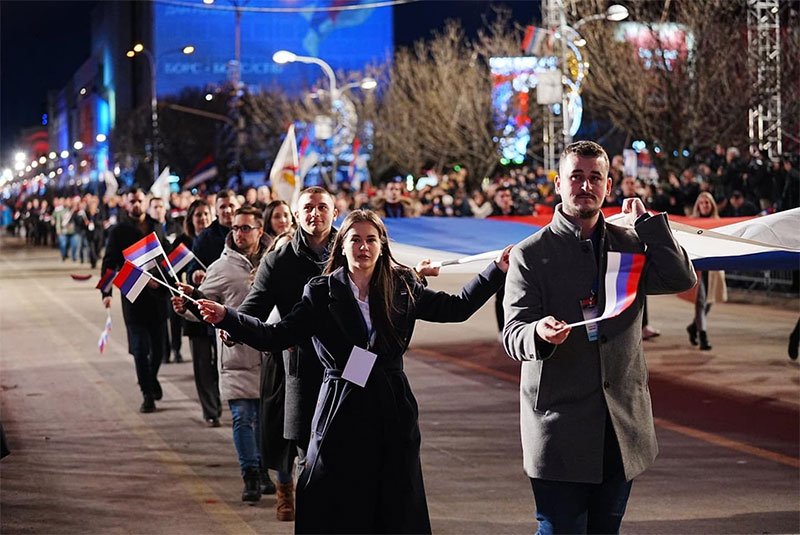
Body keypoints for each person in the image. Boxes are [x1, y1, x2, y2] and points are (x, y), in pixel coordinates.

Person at [197, 209, 511, 534]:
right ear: (342, 245)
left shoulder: (402, 285)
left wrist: (496, 270)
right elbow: (277, 335)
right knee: (335, 500)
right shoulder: (320, 292)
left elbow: (456, 307)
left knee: (396, 503)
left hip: (393, 409)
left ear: (382, 245)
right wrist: (229, 317)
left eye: (371, 240)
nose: (363, 247)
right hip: (341, 410)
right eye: (355, 239)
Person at [502, 141, 696, 535]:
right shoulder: (530, 254)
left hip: (620, 426)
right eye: (576, 177)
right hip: (559, 428)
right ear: (559, 183)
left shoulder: (629, 245)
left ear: (608, 186)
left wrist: (649, 225)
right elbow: (513, 332)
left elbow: (681, 279)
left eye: (595, 178)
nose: (585, 186)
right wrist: (537, 333)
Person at [234, 186, 338, 521]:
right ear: (296, 214)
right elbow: (256, 304)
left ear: (335, 212)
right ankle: (288, 491)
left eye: (323, 207)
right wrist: (231, 324)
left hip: (345, 363)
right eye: (308, 207)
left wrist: (417, 278)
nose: (315, 214)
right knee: (294, 436)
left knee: (342, 435)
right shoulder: (279, 259)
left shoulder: (352, 249)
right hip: (294, 362)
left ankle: (332, 500)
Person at [172, 206, 271, 502]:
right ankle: (250, 475)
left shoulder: (274, 261)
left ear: (259, 231)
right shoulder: (221, 267)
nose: (239, 233)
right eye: (235, 228)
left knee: (266, 419)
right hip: (236, 354)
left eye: (246, 228)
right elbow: (203, 305)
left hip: (271, 353)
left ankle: (266, 468)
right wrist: (188, 306)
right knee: (242, 417)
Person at [100, 188, 171, 413]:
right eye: (133, 201)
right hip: (134, 298)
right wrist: (106, 292)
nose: (137, 204)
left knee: (159, 350)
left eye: (140, 200)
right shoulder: (118, 231)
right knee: (140, 349)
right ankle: (147, 394)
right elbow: (110, 262)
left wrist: (170, 282)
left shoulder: (156, 226)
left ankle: (151, 378)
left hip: (158, 297)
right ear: (126, 204)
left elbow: (165, 257)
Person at [174, 199, 221, 426]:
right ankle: (210, 410)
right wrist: (190, 278)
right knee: (202, 363)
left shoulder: (220, 239)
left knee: (219, 364)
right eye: (198, 215)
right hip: (193, 311)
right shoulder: (183, 244)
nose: (202, 219)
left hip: (218, 310)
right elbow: (171, 274)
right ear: (191, 219)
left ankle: (220, 398)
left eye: (206, 214)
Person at [687, 192, 727, 351]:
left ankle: (693, 326)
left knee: (709, 301)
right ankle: (703, 336)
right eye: (702, 203)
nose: (704, 205)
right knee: (701, 301)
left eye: (707, 203)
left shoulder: (719, 223)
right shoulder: (691, 222)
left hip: (713, 266)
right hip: (697, 266)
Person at [188, 190, 239, 286]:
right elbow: (193, 267)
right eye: (222, 207)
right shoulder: (204, 238)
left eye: (231, 206)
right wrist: (195, 274)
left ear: (239, 207)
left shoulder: (250, 231)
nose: (227, 210)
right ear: (216, 211)